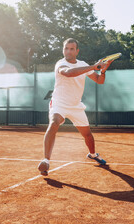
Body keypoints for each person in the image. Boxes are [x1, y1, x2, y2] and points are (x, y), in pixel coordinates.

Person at [38, 38, 114, 176]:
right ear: (63, 50)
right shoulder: (60, 64)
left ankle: (92, 154)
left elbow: (99, 80)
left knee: (88, 135)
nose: (68, 51)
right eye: (66, 48)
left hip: (76, 106)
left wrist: (102, 71)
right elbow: (68, 73)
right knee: (54, 123)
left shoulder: (83, 64)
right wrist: (93, 66)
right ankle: (46, 161)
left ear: (77, 51)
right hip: (59, 103)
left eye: (72, 48)